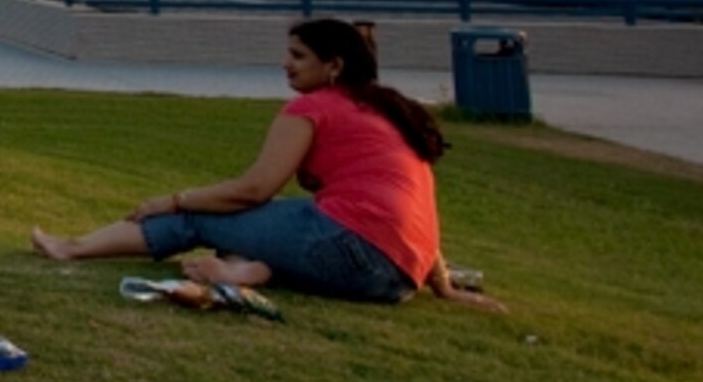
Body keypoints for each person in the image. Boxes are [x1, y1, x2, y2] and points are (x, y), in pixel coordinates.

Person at [30, 17, 501, 309]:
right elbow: (413, 212)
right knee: (259, 224)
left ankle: (71, 249)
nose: (286, 65)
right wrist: (443, 288)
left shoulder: (312, 108)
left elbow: (254, 190)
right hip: (394, 282)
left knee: (200, 214)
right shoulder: (386, 110)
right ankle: (248, 268)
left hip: (348, 248)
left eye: (298, 56)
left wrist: (173, 200)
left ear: (333, 66)